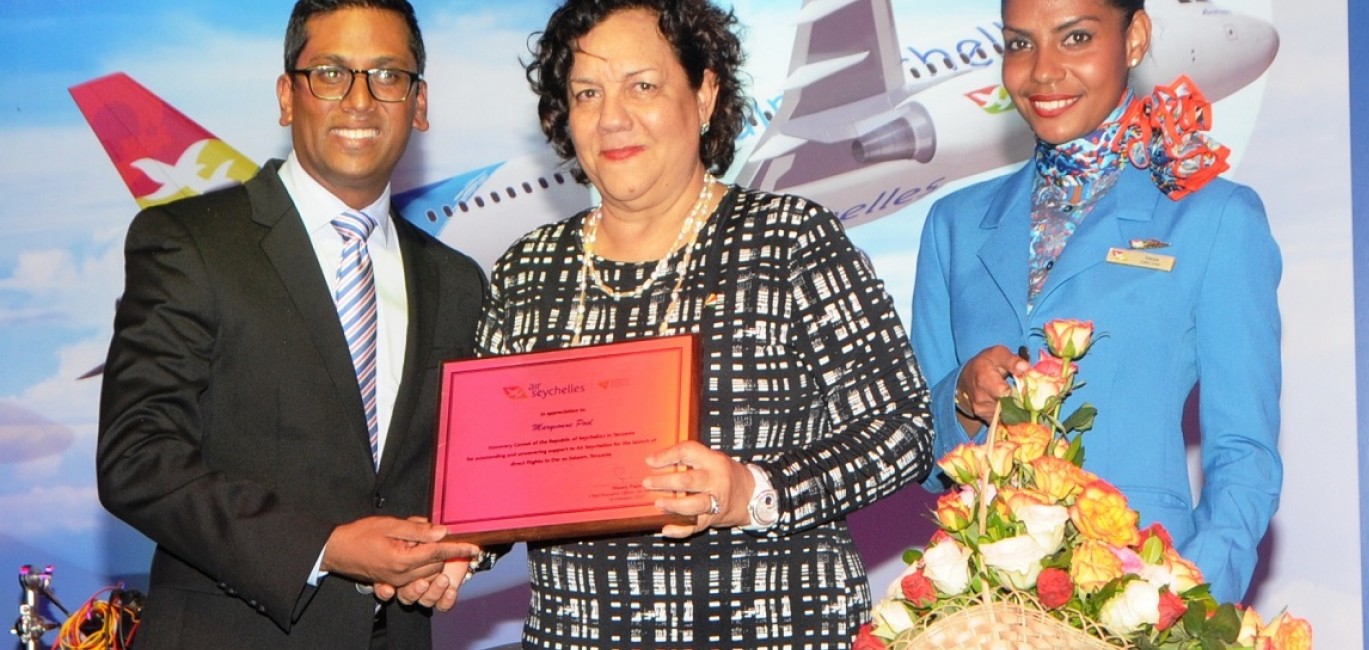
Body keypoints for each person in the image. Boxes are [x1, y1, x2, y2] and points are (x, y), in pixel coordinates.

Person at [415, 0, 930, 646]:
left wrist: (755, 489)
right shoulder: (528, 272)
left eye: (644, 86)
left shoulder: (789, 240)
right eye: (587, 93)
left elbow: (903, 429)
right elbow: (493, 480)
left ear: (706, 91)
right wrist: (463, 545)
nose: (613, 118)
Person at [95, 1, 488, 647]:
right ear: (287, 95)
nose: (360, 99)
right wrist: (324, 548)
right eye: (331, 73)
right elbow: (138, 458)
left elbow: (459, 478)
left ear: (419, 104)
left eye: (388, 75)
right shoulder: (190, 243)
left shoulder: (456, 281)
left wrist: (451, 551)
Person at [910, 0, 1281, 605]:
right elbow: (918, 447)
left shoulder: (1214, 219)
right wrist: (961, 400)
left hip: (1137, 602)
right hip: (983, 608)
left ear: (1134, 39)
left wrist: (1188, 607)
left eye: (1075, 38)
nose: (1043, 72)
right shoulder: (954, 225)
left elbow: (1245, 455)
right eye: (1019, 44)